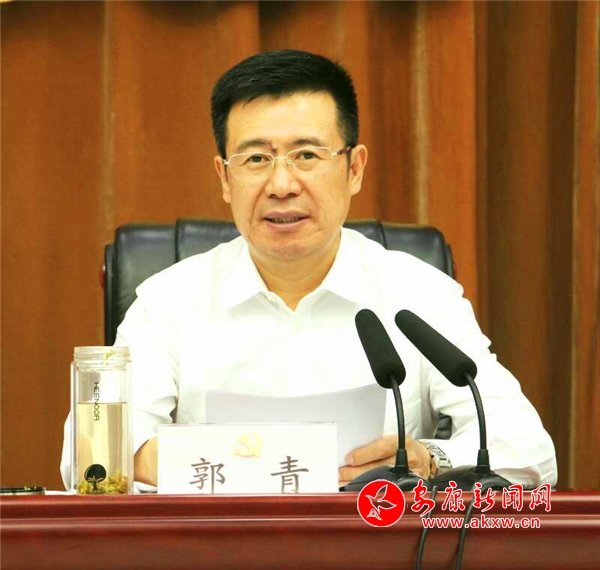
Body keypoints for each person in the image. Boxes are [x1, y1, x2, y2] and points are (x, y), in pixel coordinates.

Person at [61, 49, 557, 490]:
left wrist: (430, 459)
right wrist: (234, 463)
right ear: (225, 177)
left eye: (306, 155)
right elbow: (88, 462)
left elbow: (529, 451)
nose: (282, 184)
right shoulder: (169, 302)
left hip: (377, 541)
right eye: (256, 158)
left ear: (354, 168)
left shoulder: (420, 294)